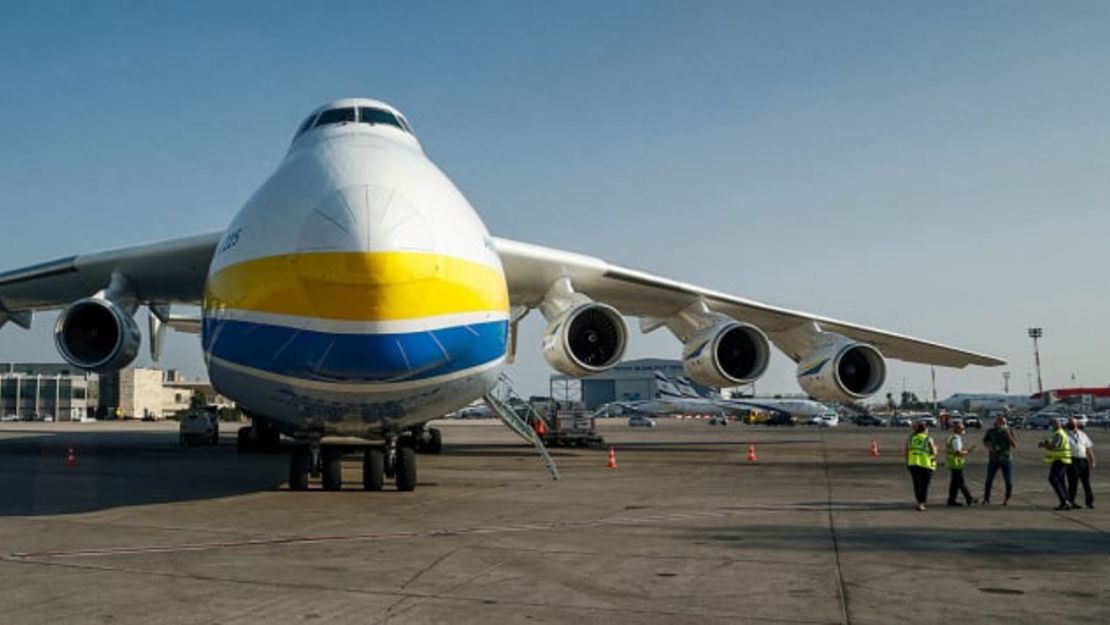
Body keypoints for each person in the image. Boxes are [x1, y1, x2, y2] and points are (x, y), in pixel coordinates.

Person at [1038, 417, 1072, 510]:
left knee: (1053, 479)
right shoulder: (1060, 433)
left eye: (1054, 424)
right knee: (1060, 480)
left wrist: (1044, 445)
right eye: (1052, 423)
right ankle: (1066, 501)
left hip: (1060, 459)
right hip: (1063, 459)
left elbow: (1053, 446)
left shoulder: (1058, 434)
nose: (1052, 425)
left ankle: (1064, 501)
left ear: (1058, 424)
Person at [982, 415, 1017, 505]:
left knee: (1008, 481)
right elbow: (985, 441)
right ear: (997, 422)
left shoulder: (1008, 431)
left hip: (1006, 459)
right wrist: (990, 447)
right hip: (994, 459)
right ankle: (986, 499)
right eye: (1000, 421)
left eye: (1004, 422)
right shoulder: (991, 431)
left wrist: (1008, 435)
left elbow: (1014, 445)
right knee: (989, 479)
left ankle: (1007, 499)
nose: (1002, 423)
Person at [905, 421, 938, 511]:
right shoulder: (928, 438)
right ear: (925, 429)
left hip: (913, 463)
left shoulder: (911, 438)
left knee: (916, 484)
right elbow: (933, 453)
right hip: (925, 464)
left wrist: (907, 462)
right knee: (924, 485)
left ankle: (919, 502)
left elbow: (907, 451)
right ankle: (922, 503)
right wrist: (935, 448)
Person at [1065, 418, 1096, 509]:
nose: (1072, 425)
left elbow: (1088, 448)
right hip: (1072, 460)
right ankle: (1071, 502)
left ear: (1077, 424)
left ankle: (1089, 502)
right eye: (1070, 423)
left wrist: (1092, 460)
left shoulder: (1083, 435)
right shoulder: (1066, 435)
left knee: (1086, 482)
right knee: (1073, 482)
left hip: (1083, 460)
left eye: (1074, 423)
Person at [945, 422, 977, 506]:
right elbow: (958, 453)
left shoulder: (951, 437)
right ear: (957, 429)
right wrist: (968, 451)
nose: (963, 430)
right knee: (961, 482)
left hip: (952, 462)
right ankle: (969, 498)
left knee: (954, 483)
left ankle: (951, 500)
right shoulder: (956, 439)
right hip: (956, 463)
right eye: (962, 428)